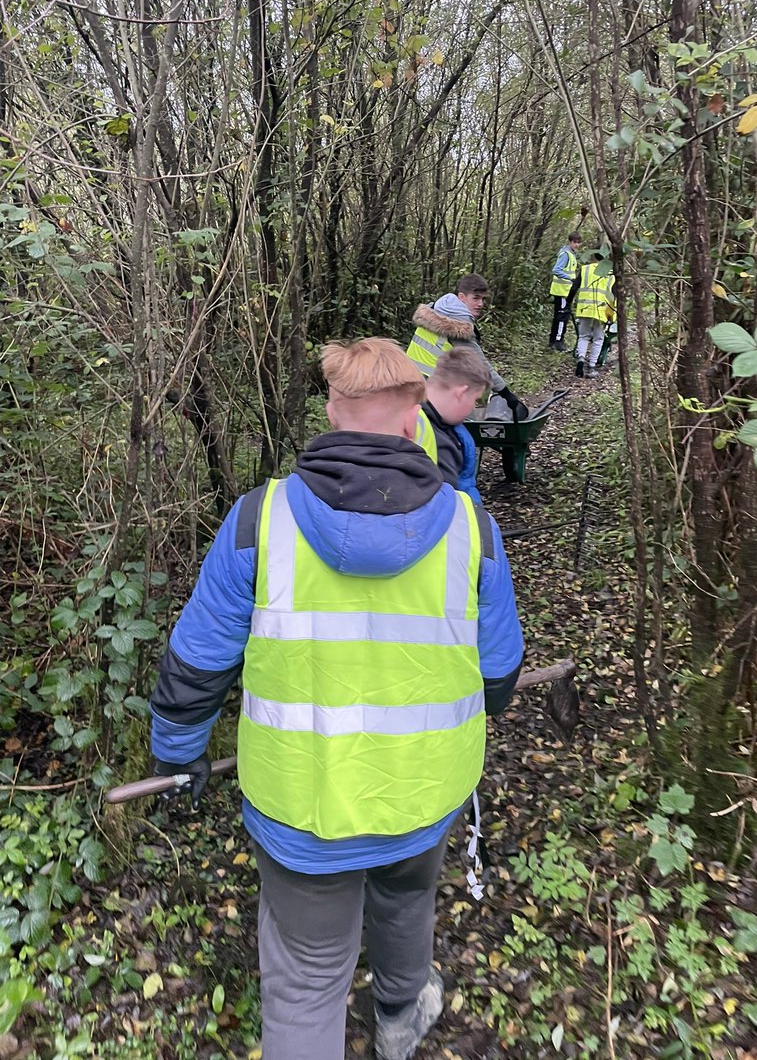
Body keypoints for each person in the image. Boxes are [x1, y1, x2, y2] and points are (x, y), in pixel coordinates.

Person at [148, 337, 523, 1060]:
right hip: (422, 791)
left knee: (307, 978)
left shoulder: (262, 520)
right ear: (417, 411)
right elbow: (500, 675)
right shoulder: (470, 528)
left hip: (301, 804)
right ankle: (396, 1019)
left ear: (330, 408)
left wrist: (178, 754)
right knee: (407, 900)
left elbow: (197, 664)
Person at [407, 273, 528, 421]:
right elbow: (481, 366)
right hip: (433, 389)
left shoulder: (436, 311)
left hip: (410, 381)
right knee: (468, 424)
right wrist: (507, 395)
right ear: (461, 297)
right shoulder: (457, 327)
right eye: (475, 298)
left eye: (483, 299)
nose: (481, 304)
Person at [414, 347, 491, 502]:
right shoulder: (436, 439)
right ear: (461, 393)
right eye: (475, 399)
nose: (473, 407)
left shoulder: (431, 418)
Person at [573, 254, 616, 379]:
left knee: (583, 336)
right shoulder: (610, 274)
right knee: (598, 338)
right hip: (601, 311)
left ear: (594, 256)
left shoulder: (585, 269)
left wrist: (568, 303)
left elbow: (574, 287)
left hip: (585, 308)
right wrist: (611, 316)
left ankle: (580, 359)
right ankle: (591, 367)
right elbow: (613, 296)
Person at [548, 232, 582, 351]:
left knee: (560, 316)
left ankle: (554, 340)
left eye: (578, 242)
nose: (577, 245)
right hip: (562, 291)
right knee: (562, 316)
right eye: (575, 242)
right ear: (570, 241)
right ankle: (558, 341)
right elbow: (556, 270)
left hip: (566, 291)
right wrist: (571, 279)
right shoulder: (566, 254)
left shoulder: (570, 254)